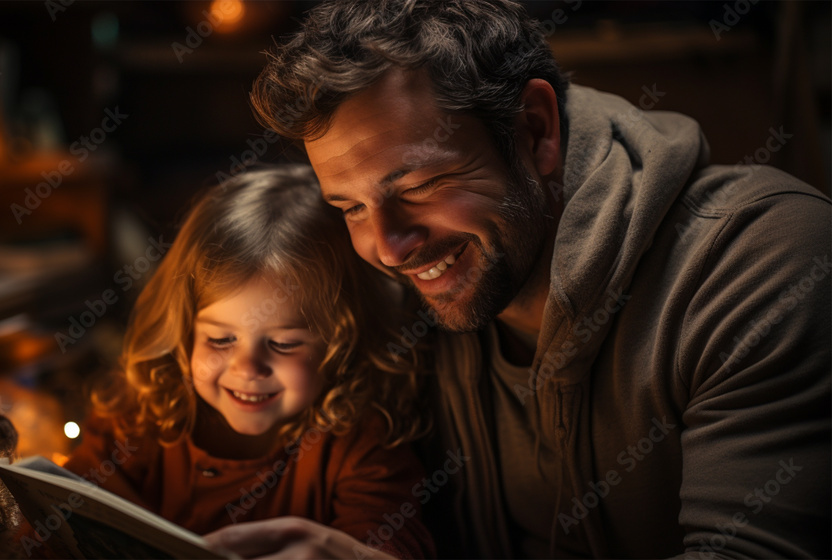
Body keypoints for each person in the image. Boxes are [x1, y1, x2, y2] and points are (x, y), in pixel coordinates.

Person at [204, 0, 832, 558]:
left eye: (422, 186)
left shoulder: (763, 261)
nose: (388, 248)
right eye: (350, 208)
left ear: (535, 129)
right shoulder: (397, 302)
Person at [65, 165, 435, 559]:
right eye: (220, 338)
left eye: (282, 343)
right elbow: (53, 522)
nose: (246, 368)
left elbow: (393, 543)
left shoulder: (362, 443)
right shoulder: (137, 416)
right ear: (183, 331)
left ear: (342, 342)